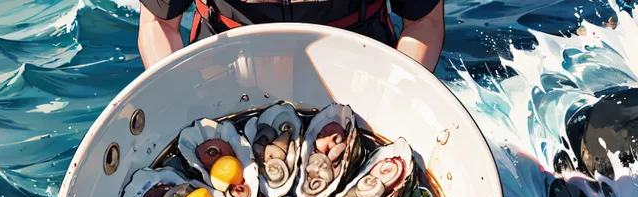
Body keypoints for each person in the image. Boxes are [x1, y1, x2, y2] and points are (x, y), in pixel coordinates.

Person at [137, 0, 444, 72]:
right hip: (224, 73)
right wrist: (181, 102)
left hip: (360, 70)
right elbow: (159, 23)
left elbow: (423, 22)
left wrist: (396, 100)